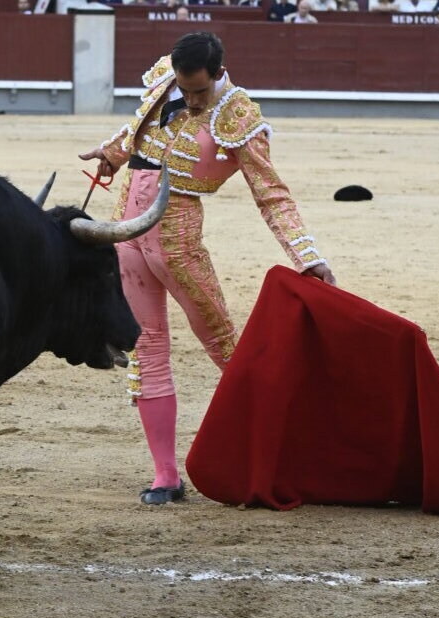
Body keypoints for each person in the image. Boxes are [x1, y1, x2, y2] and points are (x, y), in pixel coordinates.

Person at [78, 31, 335, 505]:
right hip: (127, 232)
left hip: (178, 239)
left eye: (199, 91)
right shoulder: (166, 81)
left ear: (219, 74)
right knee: (145, 348)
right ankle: (165, 475)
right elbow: (141, 130)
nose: (191, 100)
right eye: (184, 89)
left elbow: (272, 194)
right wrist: (112, 154)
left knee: (225, 345)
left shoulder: (240, 116)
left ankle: (290, 451)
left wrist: (308, 256)